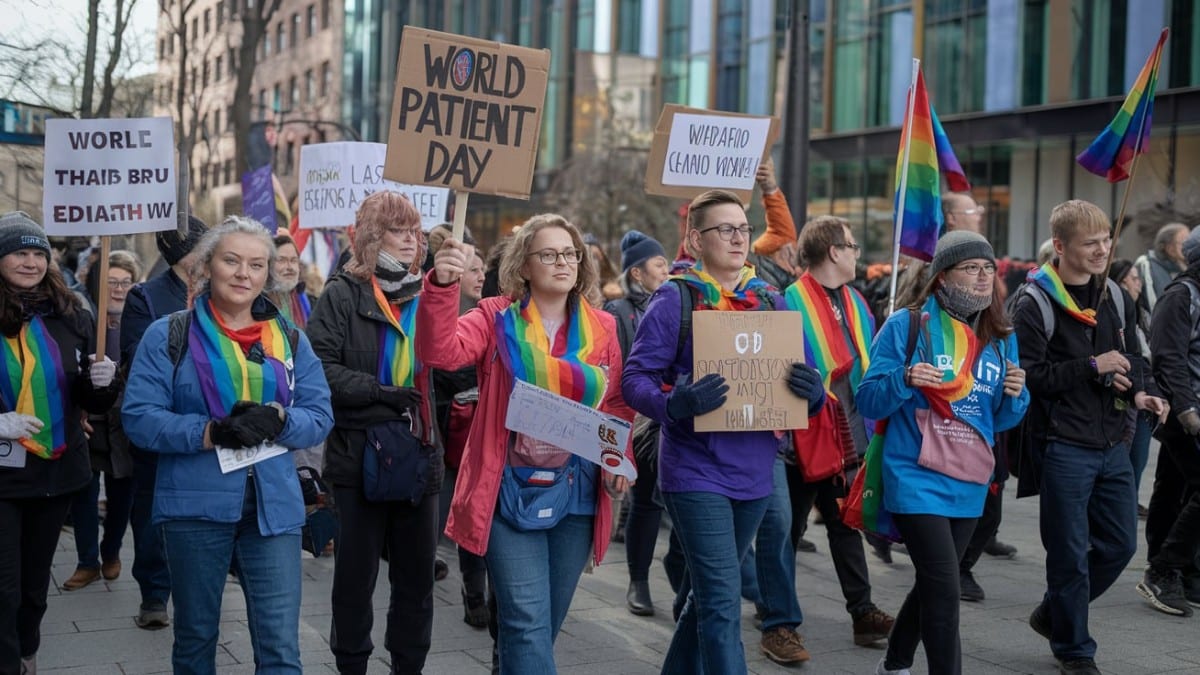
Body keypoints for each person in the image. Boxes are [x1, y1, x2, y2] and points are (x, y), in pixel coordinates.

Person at [417, 213, 636, 673]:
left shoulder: (603, 327)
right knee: (525, 623)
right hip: (508, 489)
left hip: (577, 492)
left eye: (570, 253)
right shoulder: (495, 317)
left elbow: (615, 403)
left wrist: (619, 458)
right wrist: (441, 284)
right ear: (524, 266)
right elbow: (440, 352)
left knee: (542, 626)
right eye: (549, 254)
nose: (563, 262)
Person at [621, 189, 826, 674]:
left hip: (755, 473)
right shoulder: (675, 297)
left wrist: (812, 390)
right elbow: (634, 381)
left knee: (707, 596)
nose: (738, 238)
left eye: (743, 228)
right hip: (695, 471)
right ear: (695, 238)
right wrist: (676, 402)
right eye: (725, 229)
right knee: (721, 599)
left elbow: (811, 380)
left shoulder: (771, 299)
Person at [122, 217, 333, 674]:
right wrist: (211, 432)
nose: (244, 273)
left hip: (273, 508)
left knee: (280, 646)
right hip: (196, 508)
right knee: (197, 638)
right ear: (207, 266)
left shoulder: (291, 338)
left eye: (256, 265)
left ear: (268, 274)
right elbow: (138, 418)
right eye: (232, 260)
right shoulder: (168, 334)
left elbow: (320, 415)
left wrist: (280, 421)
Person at [857, 230, 1029, 675]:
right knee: (944, 586)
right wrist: (907, 378)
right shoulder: (908, 325)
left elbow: (998, 421)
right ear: (942, 277)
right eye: (971, 268)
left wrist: (1016, 395)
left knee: (937, 580)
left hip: (969, 479)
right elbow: (869, 400)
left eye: (988, 269)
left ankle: (894, 663)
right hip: (914, 475)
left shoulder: (1001, 336)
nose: (983, 278)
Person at [1015, 200, 1168, 675]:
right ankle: (1075, 651)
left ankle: (1055, 614)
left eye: (1107, 240)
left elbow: (1132, 358)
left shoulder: (1116, 297)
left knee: (1121, 545)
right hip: (1062, 445)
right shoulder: (1034, 300)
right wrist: (1091, 367)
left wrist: (1143, 393)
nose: (1103, 250)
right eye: (1091, 243)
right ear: (1060, 247)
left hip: (1112, 441)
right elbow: (1029, 376)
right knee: (1068, 555)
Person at [305, 192, 444, 675]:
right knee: (354, 579)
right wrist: (379, 391)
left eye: (415, 231)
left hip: (419, 455)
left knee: (416, 581)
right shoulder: (342, 293)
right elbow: (317, 369)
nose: (412, 240)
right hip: (356, 457)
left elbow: (454, 362)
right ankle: (352, 665)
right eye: (399, 231)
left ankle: (409, 666)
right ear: (371, 238)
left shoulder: (431, 295)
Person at [0, 212, 117, 675]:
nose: (29, 262)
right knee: (3, 586)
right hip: (3, 476)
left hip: (55, 470)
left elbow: (87, 397)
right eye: (18, 252)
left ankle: (26, 649)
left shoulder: (70, 313)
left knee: (33, 585)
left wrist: (103, 382)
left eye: (37, 253)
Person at [782, 216, 895, 648]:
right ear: (833, 251)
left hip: (847, 437)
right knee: (787, 532)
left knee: (844, 524)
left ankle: (862, 612)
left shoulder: (857, 302)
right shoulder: (786, 302)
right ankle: (776, 612)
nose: (856, 254)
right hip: (803, 440)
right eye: (851, 246)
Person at [120, 214, 208, 629]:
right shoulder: (146, 297)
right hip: (162, 426)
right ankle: (154, 593)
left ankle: (199, 588)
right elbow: (139, 354)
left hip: (210, 427)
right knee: (153, 511)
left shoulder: (221, 293)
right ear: (182, 253)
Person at [63, 250, 143, 591]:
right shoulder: (83, 319)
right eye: (112, 282)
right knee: (84, 489)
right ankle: (86, 561)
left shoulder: (139, 322)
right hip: (90, 418)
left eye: (126, 282)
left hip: (124, 421)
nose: (119, 289)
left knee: (122, 492)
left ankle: (111, 552)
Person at [602, 229, 670, 617]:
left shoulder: (678, 303)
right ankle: (638, 580)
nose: (666, 269)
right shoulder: (618, 313)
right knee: (645, 503)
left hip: (672, 416)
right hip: (639, 421)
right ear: (637, 274)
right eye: (658, 264)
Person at [1138, 226, 1200, 617]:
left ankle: (1184, 570)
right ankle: (1164, 568)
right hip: (1182, 412)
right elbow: (1168, 357)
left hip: (1189, 409)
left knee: (1174, 487)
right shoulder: (1181, 296)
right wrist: (1187, 409)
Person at [431, 244, 490, 628]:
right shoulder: (442, 320)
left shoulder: (494, 315)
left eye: (483, 268)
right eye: (473, 269)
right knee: (464, 515)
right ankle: (473, 592)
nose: (481, 275)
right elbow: (438, 370)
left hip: (484, 437)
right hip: (451, 437)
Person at [1109, 259, 1153, 516]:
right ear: (1123, 282)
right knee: (1127, 456)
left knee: (1138, 459)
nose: (1139, 283)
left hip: (1145, 398)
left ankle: (1128, 502)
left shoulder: (1142, 314)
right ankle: (1122, 506)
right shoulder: (1117, 315)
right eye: (1135, 278)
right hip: (1124, 399)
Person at [1134, 222, 1188, 313]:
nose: (1189, 246)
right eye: (1184, 242)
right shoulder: (1146, 265)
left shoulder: (1183, 267)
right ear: (1170, 248)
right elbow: (1154, 305)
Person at [272, 233, 315, 329]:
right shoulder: (259, 303)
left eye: (293, 260)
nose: (289, 267)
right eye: (282, 260)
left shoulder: (304, 300)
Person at [585, 233, 624, 300]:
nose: (593, 261)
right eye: (589, 256)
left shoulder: (610, 271)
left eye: (595, 256)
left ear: (602, 255)